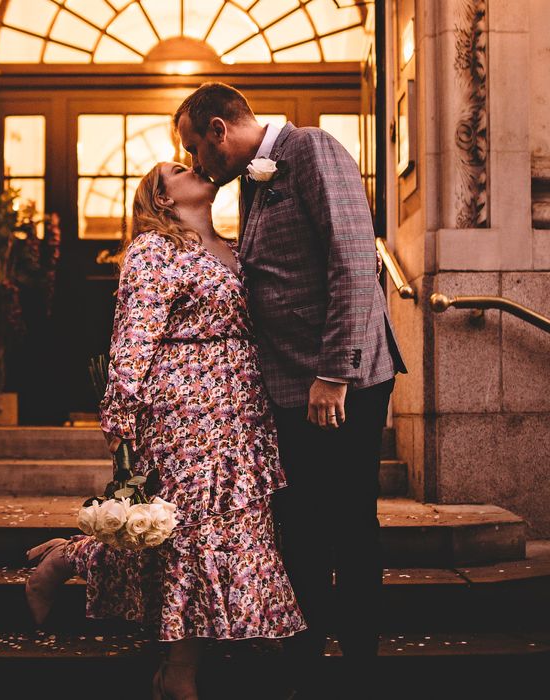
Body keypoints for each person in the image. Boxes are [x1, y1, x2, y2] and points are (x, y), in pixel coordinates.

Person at [25, 160, 306, 700]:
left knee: (229, 533)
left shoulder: (235, 244)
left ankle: (67, 558)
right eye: (178, 168)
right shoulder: (155, 249)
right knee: (188, 532)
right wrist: (122, 412)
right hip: (183, 406)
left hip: (243, 409)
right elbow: (134, 332)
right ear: (162, 197)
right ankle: (178, 669)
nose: (194, 167)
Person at [174, 83, 407, 697]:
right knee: (300, 524)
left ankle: (360, 663)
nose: (196, 163)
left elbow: (354, 262)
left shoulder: (311, 149)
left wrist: (335, 372)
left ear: (220, 129)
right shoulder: (254, 182)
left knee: (350, 520)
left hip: (339, 383)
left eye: (194, 147)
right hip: (290, 386)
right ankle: (304, 658)